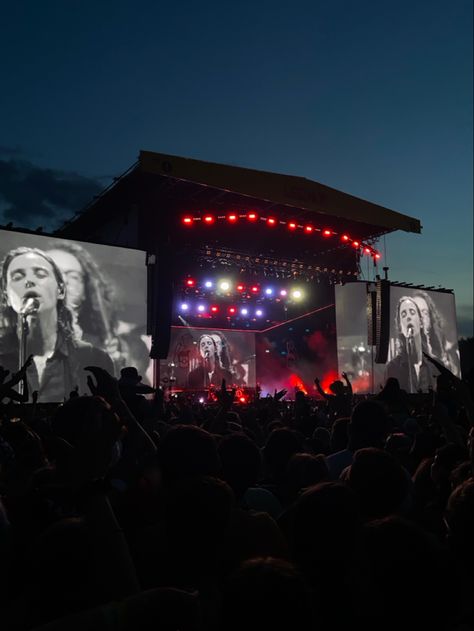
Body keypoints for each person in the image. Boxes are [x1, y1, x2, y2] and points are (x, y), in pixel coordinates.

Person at [0, 247, 114, 402]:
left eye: (40, 274)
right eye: (17, 277)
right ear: (6, 295)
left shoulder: (95, 359)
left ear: (60, 289)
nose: (29, 281)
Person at [46, 241, 150, 378]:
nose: (63, 280)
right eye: (50, 272)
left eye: (73, 276)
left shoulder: (104, 345)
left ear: (85, 291)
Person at [385, 296, 438, 393]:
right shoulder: (393, 368)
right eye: (403, 315)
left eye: (412, 312)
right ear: (400, 327)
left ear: (421, 322)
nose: (408, 317)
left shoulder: (436, 365)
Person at [412, 290, 459, 376]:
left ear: (430, 318)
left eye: (424, 312)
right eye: (415, 311)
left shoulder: (448, 354)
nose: (421, 317)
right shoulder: (401, 359)